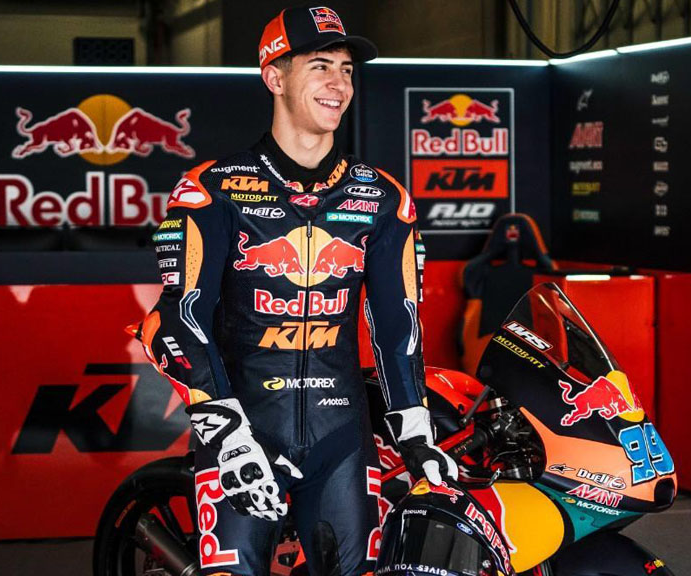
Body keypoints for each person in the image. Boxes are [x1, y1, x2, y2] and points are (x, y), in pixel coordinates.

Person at [133, 6, 457, 576]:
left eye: (347, 70)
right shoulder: (211, 190)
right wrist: (226, 432)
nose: (339, 84)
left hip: (342, 438)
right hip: (243, 429)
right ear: (274, 77)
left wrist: (415, 429)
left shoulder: (383, 198)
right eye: (320, 66)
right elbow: (176, 321)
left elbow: (398, 323)